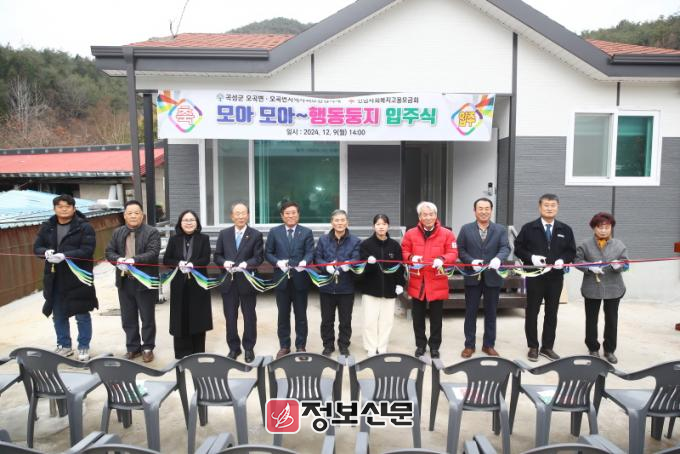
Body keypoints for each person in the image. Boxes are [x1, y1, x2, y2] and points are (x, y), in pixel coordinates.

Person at [33, 194, 98, 361]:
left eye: (67, 206)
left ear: (74, 208)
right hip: (54, 277)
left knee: (81, 313)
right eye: (60, 206)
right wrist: (45, 252)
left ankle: (83, 346)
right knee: (58, 313)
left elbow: (87, 250)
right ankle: (64, 345)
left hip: (78, 277)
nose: (64, 209)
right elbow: (37, 247)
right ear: (54, 209)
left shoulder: (84, 227)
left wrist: (65, 255)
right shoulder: (47, 226)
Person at [514, 193, 576, 362]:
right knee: (532, 311)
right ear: (539, 207)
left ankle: (547, 347)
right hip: (535, 276)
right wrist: (531, 258)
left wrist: (563, 260)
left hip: (555, 277)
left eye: (553, 205)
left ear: (557, 207)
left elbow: (571, 251)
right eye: (546, 205)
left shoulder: (565, 229)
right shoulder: (529, 228)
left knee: (552, 312)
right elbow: (518, 248)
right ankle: (533, 346)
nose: (549, 208)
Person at [105, 200, 160, 363]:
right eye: (130, 213)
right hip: (124, 281)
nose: (133, 216)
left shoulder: (152, 232)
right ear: (124, 216)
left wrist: (134, 260)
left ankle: (148, 347)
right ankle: (133, 348)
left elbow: (153, 252)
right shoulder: (118, 232)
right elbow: (109, 251)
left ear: (142, 215)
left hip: (145, 281)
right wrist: (118, 260)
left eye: (137, 213)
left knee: (147, 317)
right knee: (128, 317)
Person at [401, 201, 458, 359]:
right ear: (419, 217)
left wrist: (443, 259)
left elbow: (453, 253)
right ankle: (420, 345)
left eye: (431, 214)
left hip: (436, 280)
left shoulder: (447, 234)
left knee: (436, 318)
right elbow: (404, 251)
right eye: (424, 214)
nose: (428, 217)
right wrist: (411, 258)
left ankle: (434, 346)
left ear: (436, 215)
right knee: (418, 317)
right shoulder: (411, 233)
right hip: (418, 281)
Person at [457, 198, 511, 358]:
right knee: (470, 312)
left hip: (493, 277)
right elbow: (460, 249)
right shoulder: (466, 229)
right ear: (474, 211)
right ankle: (469, 345)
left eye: (487, 208)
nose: (484, 211)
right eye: (480, 208)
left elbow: (505, 247)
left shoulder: (500, 229)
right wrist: (470, 261)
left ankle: (489, 345)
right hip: (472, 276)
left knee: (491, 312)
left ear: (491, 210)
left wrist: (498, 259)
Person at [575, 212, 628, 364]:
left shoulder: (619, 245)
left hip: (614, 287)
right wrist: (589, 267)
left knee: (611, 319)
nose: (603, 230)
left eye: (607, 227)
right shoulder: (585, 244)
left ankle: (609, 350)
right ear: (594, 228)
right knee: (591, 319)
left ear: (611, 228)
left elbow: (626, 263)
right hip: (592, 287)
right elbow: (577, 261)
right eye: (600, 227)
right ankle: (593, 348)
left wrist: (619, 266)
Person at [214, 202, 263, 363]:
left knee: (249, 316)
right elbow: (217, 256)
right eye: (237, 213)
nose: (241, 216)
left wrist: (246, 264)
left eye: (243, 213)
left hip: (247, 281)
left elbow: (258, 257)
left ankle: (249, 347)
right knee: (230, 316)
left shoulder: (255, 234)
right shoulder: (224, 234)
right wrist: (224, 263)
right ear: (232, 216)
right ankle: (234, 348)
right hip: (228, 282)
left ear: (248, 215)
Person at [265, 201, 314, 359]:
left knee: (301, 315)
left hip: (300, 279)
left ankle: (301, 346)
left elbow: (310, 252)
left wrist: (305, 261)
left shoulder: (306, 232)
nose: (290, 216)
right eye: (287, 213)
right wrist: (277, 262)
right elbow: (268, 253)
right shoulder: (274, 232)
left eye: (293, 213)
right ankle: (284, 346)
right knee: (283, 315)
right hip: (281, 280)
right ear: (282, 216)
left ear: (298, 214)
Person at [163, 210, 213, 359]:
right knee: (180, 317)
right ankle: (182, 353)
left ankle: (198, 351)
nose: (189, 223)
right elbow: (166, 260)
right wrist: (178, 263)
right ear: (180, 223)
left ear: (197, 222)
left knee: (198, 317)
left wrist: (193, 264)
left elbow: (206, 259)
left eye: (192, 220)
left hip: (198, 284)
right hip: (179, 284)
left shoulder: (204, 238)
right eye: (185, 220)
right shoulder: (174, 239)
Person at [314, 209, 361, 357]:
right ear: (332, 222)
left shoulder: (355, 241)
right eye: (336, 220)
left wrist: (349, 264)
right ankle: (328, 345)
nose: (340, 223)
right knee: (327, 320)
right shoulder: (323, 240)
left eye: (342, 220)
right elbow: (317, 258)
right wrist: (326, 266)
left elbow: (357, 258)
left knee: (345, 320)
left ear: (347, 222)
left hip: (346, 287)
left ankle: (344, 345)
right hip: (326, 286)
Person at [359, 214, 405, 356]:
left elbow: (400, 266)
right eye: (378, 224)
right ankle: (371, 346)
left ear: (388, 226)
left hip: (389, 289)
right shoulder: (366, 245)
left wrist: (400, 283)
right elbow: (360, 269)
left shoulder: (394, 245)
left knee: (387, 321)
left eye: (384, 224)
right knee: (369, 321)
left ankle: (382, 345)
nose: (381, 227)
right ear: (374, 226)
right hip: (370, 289)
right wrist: (368, 263)